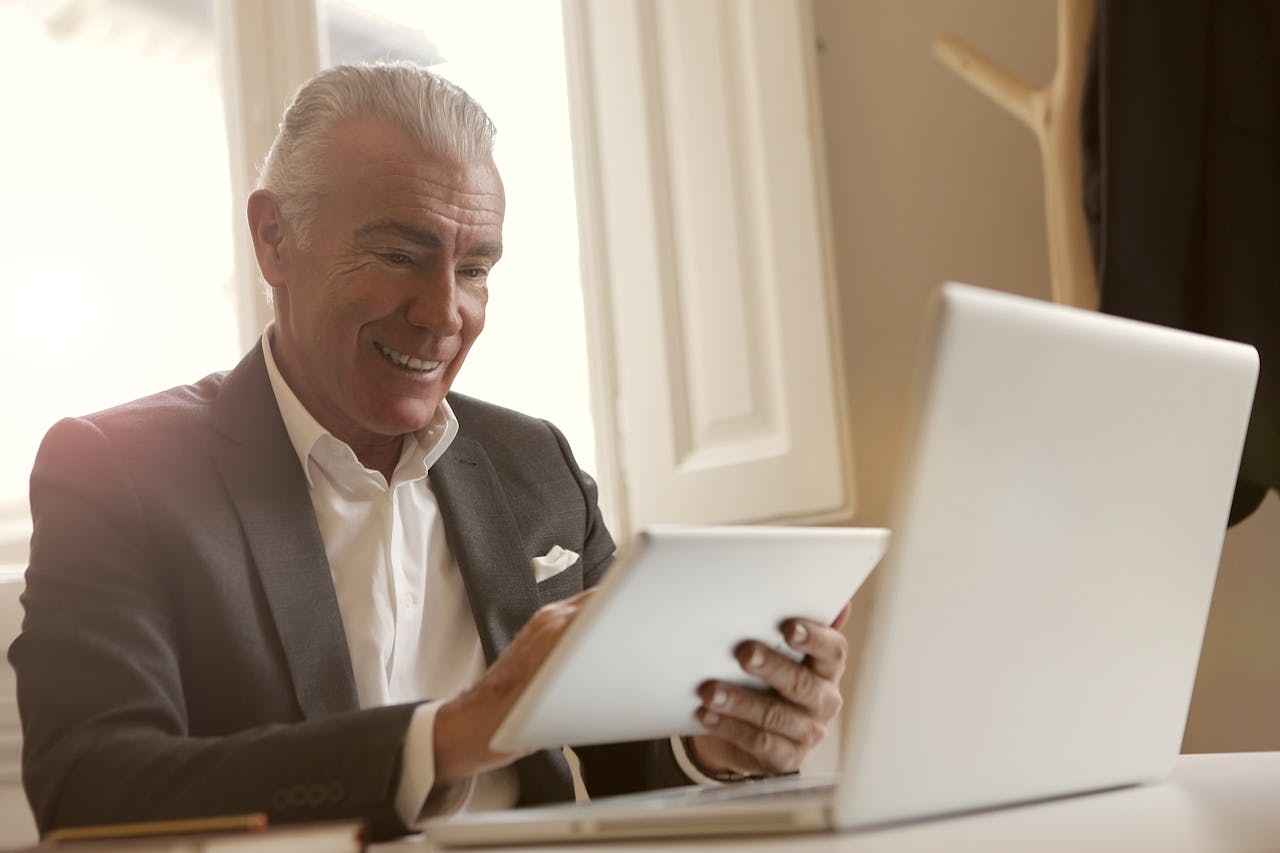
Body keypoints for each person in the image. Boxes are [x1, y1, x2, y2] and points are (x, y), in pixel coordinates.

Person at [9, 62, 849, 841]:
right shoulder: (115, 469)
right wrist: (453, 732)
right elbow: (91, 786)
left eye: (476, 268)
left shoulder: (538, 465)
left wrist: (725, 746)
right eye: (399, 255)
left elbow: (635, 767)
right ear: (274, 238)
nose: (444, 311)